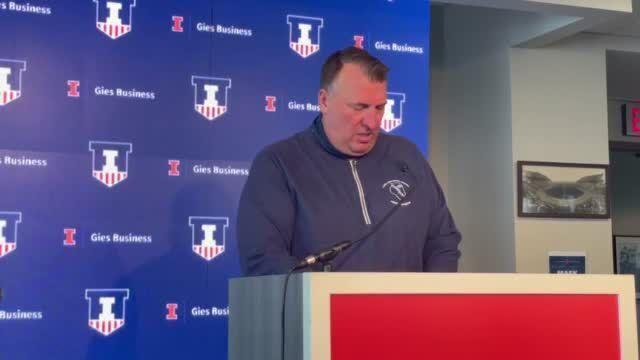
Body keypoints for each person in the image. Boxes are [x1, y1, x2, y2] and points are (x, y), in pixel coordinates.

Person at [237, 47, 461, 275]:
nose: (372, 122)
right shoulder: (279, 164)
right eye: (360, 107)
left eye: (380, 107)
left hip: (411, 311)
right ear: (324, 101)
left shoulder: (408, 156)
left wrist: (433, 303)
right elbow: (264, 259)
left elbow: (443, 242)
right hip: (321, 310)